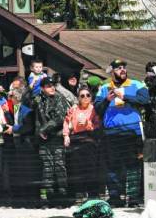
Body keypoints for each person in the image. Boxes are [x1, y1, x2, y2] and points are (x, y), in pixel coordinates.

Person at [95, 59, 150, 206]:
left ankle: (133, 198)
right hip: (112, 133)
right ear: (112, 71)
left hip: (133, 132)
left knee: (133, 166)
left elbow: (145, 100)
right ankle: (114, 197)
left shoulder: (137, 84)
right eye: (119, 68)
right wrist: (107, 100)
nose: (122, 70)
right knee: (113, 166)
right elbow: (97, 109)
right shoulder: (105, 87)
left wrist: (124, 96)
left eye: (124, 67)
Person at [63, 86, 101, 199]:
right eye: (82, 95)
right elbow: (66, 122)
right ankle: (79, 193)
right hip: (75, 140)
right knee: (76, 168)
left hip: (89, 139)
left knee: (90, 168)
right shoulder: (73, 109)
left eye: (88, 95)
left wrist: (87, 123)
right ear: (78, 98)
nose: (85, 97)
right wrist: (66, 135)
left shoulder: (94, 109)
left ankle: (92, 194)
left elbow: (98, 125)